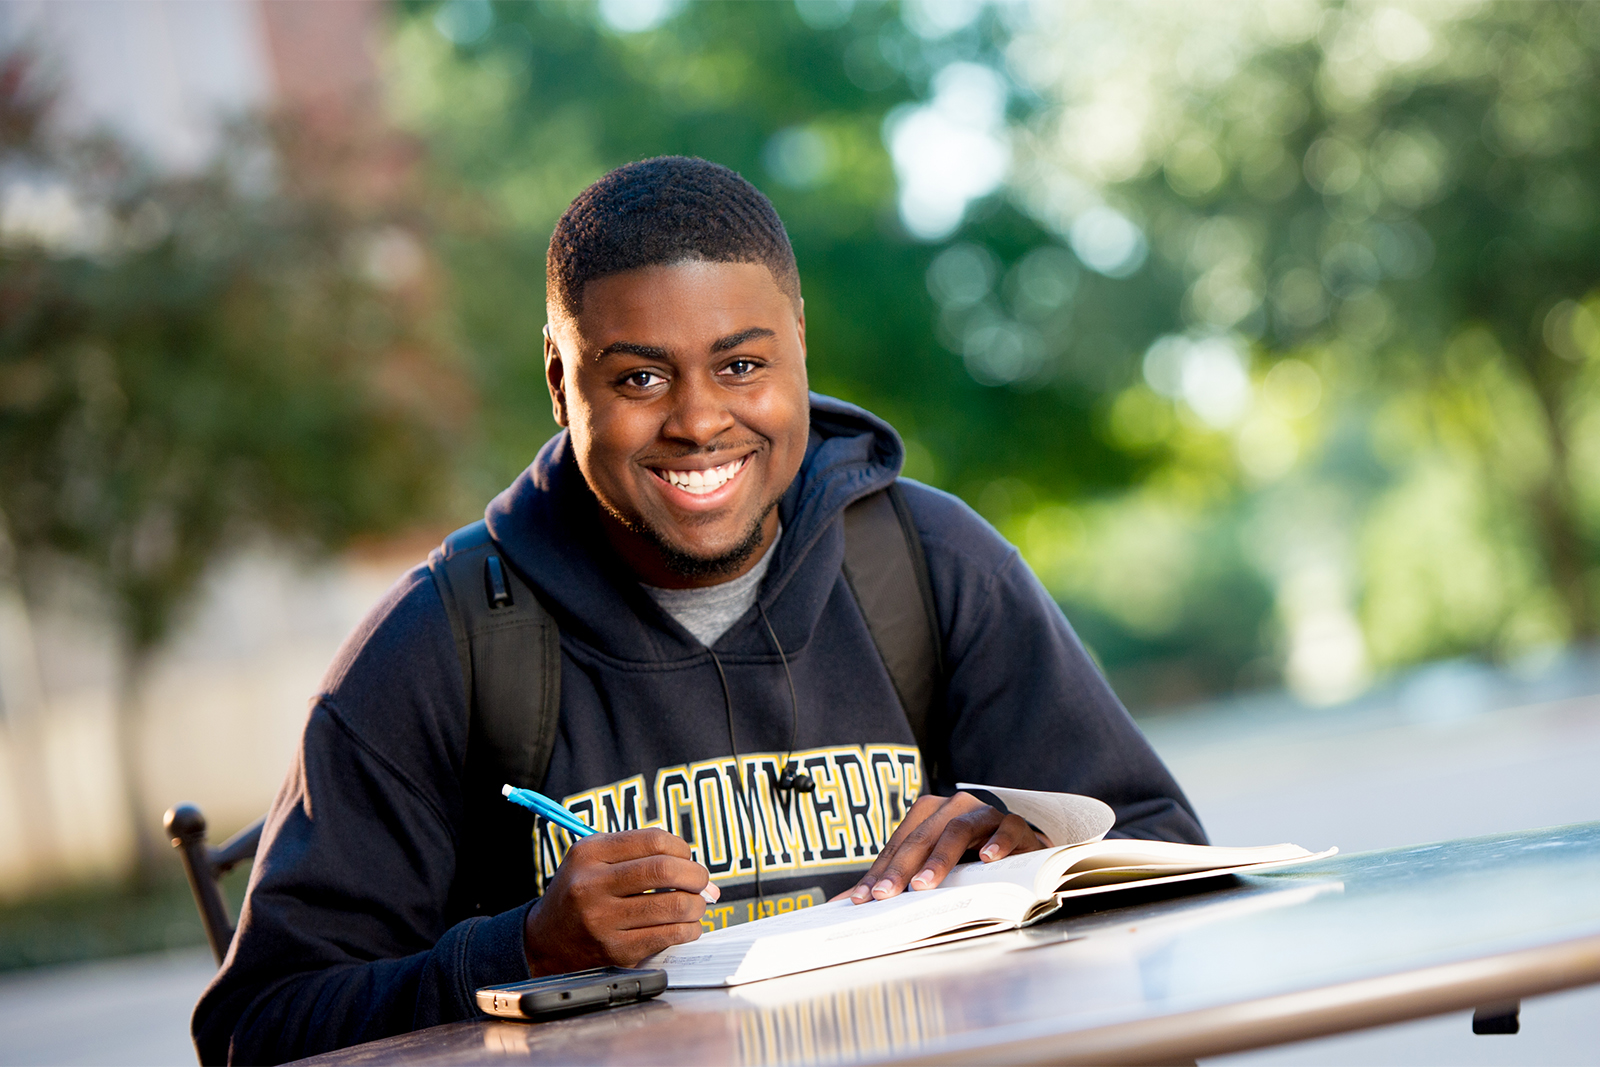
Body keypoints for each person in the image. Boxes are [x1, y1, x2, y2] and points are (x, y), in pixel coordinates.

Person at [193, 156, 1204, 1064]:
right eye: (638, 376)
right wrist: (521, 950)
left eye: (741, 364)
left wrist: (1037, 847)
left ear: (798, 346)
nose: (697, 419)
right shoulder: (444, 640)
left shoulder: (930, 564)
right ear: (559, 379)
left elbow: (1174, 864)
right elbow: (259, 1027)